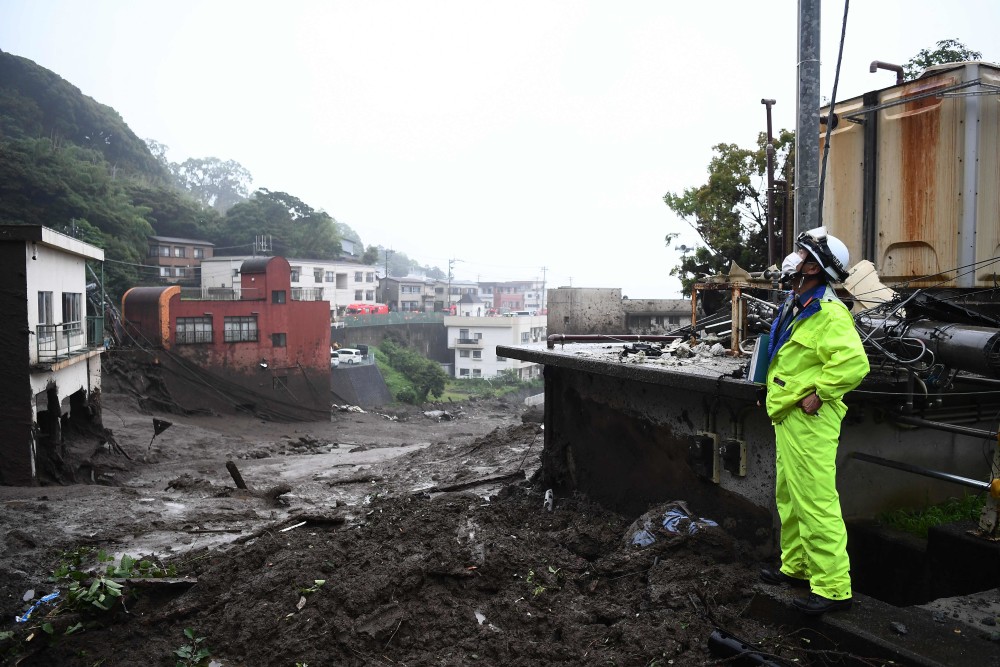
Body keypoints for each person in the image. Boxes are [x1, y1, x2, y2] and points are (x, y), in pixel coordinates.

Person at [759, 226, 870, 615]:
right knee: (789, 498)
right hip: (789, 415)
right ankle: (798, 569)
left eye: (803, 256)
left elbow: (855, 364)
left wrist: (819, 392)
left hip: (809, 419)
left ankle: (832, 588)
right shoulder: (800, 304)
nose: (795, 260)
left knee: (815, 501)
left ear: (817, 269)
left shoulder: (829, 313)